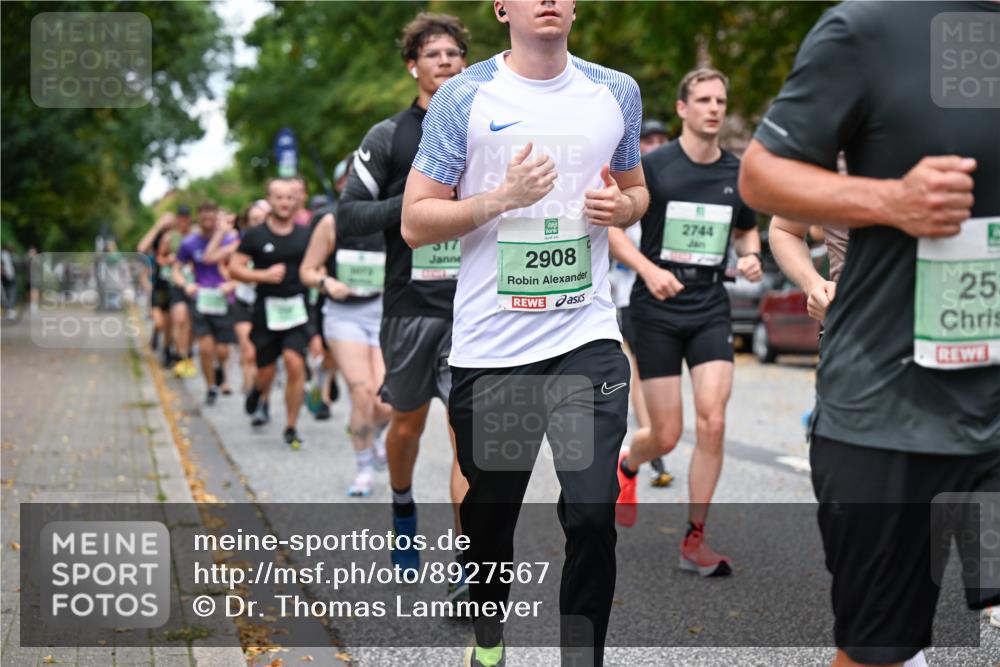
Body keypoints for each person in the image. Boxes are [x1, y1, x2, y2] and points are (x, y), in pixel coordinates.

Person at [738, 2, 999, 665]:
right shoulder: (871, 28)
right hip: (890, 408)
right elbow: (761, 175)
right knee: (883, 650)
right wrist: (892, 202)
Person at [402, 1, 648, 664]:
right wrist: (498, 199)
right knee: (489, 524)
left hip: (585, 339)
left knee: (593, 515)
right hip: (493, 349)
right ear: (502, 7)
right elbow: (415, 221)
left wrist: (620, 206)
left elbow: (638, 192)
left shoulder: (615, 93)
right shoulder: (466, 97)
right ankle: (488, 642)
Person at [335, 12, 471, 592]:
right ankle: (402, 504)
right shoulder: (389, 136)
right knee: (408, 426)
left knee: (472, 439)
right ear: (413, 65)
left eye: (454, 54)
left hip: (474, 305)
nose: (445, 62)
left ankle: (469, 565)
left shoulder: (489, 129)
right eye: (433, 54)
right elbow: (348, 217)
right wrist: (417, 209)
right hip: (411, 307)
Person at [611, 68, 762, 578]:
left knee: (714, 421)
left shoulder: (737, 173)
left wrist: (751, 257)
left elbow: (746, 232)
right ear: (682, 108)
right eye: (703, 99)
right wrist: (649, 271)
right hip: (656, 308)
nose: (714, 108)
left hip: (708, 305)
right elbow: (610, 229)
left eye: (721, 99)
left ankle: (694, 540)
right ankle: (630, 460)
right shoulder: (653, 166)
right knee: (668, 435)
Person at [301, 157, 392, 497]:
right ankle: (364, 469)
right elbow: (308, 270)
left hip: (382, 311)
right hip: (343, 315)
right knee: (362, 392)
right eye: (354, 178)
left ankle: (375, 434)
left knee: (387, 402)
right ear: (341, 185)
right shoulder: (330, 222)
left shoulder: (389, 218)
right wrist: (327, 283)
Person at [610, 117, 672, 488]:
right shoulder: (629, 185)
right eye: (647, 140)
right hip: (630, 294)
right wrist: (646, 268)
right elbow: (614, 237)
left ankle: (654, 440)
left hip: (669, 293)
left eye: (661, 139)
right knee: (638, 367)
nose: (655, 145)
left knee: (658, 376)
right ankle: (654, 446)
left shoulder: (670, 184)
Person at [229, 179, 313, 449]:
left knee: (294, 363)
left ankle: (291, 426)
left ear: (296, 201)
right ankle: (257, 390)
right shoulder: (256, 235)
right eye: (278, 197)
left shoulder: (305, 234)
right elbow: (234, 268)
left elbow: (317, 265)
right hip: (266, 311)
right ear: (269, 200)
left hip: (297, 311)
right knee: (265, 371)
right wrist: (261, 274)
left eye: (289, 197)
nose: (285, 202)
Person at [173, 201, 239, 405]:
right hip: (201, 298)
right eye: (203, 214)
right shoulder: (189, 243)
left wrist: (232, 284)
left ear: (217, 216)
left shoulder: (230, 240)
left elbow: (241, 266)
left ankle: (220, 369)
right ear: (198, 217)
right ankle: (210, 386)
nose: (207, 218)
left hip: (223, 298)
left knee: (222, 349)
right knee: (205, 347)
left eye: (211, 214)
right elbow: (177, 269)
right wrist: (186, 285)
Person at [157, 204, 198, 378]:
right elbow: (160, 258)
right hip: (176, 282)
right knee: (179, 319)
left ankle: (187, 353)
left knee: (190, 323)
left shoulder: (196, 235)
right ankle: (179, 355)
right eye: (180, 218)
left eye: (185, 218)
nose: (183, 222)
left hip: (194, 282)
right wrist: (169, 260)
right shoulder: (169, 238)